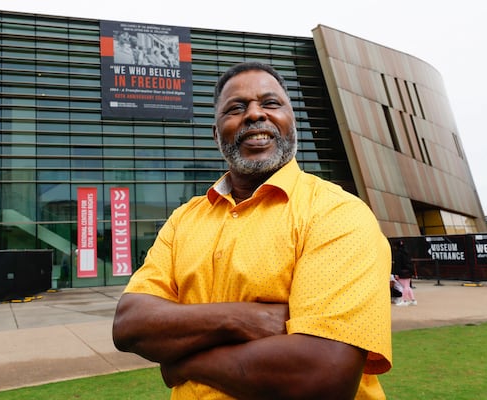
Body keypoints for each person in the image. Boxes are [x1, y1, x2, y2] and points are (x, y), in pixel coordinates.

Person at [112, 62, 392, 399]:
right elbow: (129, 325)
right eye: (236, 107)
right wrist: (245, 318)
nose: (255, 114)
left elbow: (323, 377)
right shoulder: (184, 220)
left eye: (271, 104)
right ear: (217, 134)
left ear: (292, 122)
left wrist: (183, 364)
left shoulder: (337, 213)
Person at [393, 240, 416, 306]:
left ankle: (404, 301)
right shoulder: (406, 252)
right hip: (408, 271)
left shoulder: (398, 254)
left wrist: (396, 273)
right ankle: (413, 300)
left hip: (402, 272)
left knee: (405, 287)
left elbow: (398, 264)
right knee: (407, 286)